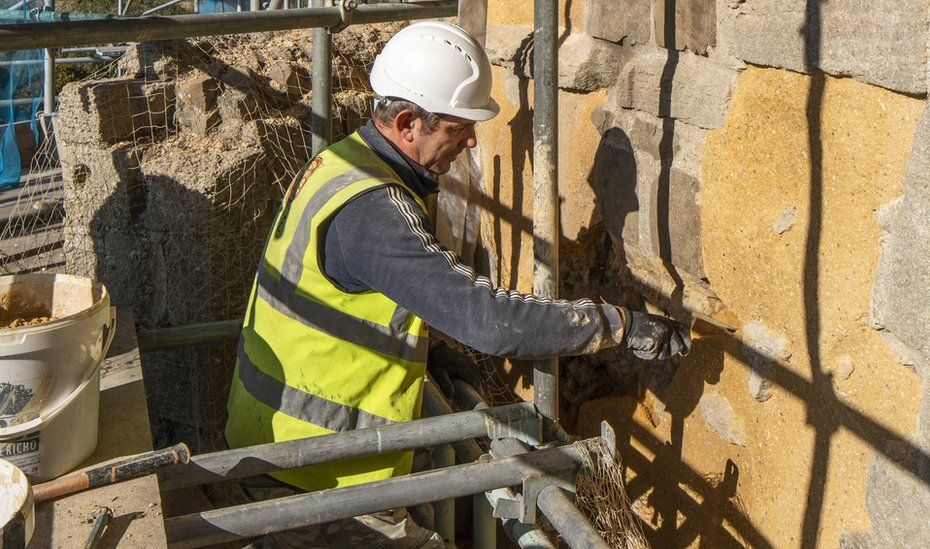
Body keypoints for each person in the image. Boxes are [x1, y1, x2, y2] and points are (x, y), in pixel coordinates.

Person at [225, 21, 690, 548]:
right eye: (458, 126)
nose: (472, 140)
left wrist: (430, 349)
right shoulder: (375, 210)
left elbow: (367, 302)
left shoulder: (341, 162)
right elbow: (489, 320)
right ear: (407, 123)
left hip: (285, 443)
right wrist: (616, 323)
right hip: (317, 474)